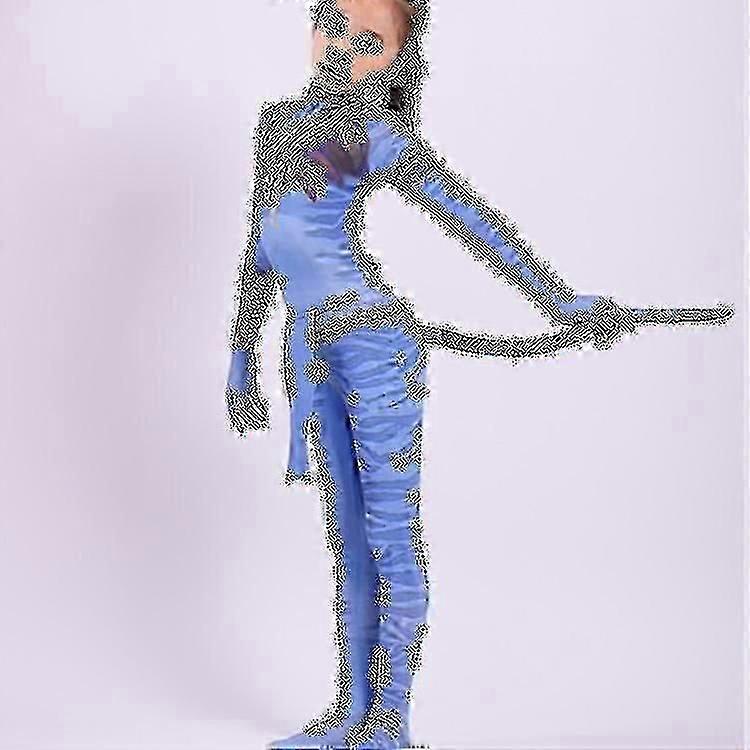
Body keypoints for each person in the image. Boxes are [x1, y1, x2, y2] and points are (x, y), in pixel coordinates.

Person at [225, 1, 733, 748]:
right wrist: (242, 353)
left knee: (390, 534)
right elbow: (263, 243)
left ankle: (390, 723)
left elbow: (470, 219)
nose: (341, 46)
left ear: (396, 61)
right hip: (309, 354)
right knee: (348, 540)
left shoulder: (377, 135)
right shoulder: (278, 128)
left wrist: (559, 299)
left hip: (375, 348)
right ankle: (350, 714)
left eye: (368, 40)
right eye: (331, 20)